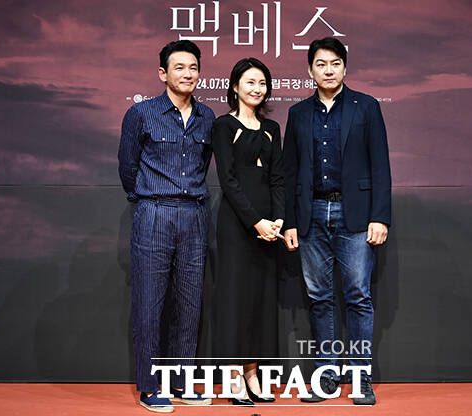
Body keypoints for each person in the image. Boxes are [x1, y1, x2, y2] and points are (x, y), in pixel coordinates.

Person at [282, 37, 392, 406]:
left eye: (334, 63)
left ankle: (360, 379)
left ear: (345, 67)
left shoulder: (366, 107)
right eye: (320, 64)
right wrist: (291, 221)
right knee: (320, 297)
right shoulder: (298, 113)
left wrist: (380, 216)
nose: (328, 70)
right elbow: (291, 171)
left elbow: (380, 165)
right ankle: (326, 377)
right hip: (311, 213)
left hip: (355, 214)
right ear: (309, 70)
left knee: (358, 295)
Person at [118, 39, 215, 413]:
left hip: (194, 214)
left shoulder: (207, 117)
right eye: (179, 67)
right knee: (149, 302)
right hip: (154, 212)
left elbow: (205, 163)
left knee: (189, 303)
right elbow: (128, 168)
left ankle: (182, 382)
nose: (188, 73)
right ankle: (149, 386)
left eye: (193, 67)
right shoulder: (141, 113)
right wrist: (147, 199)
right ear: (163, 73)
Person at [210, 57, 284, 406]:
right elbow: (228, 180)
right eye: (250, 82)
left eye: (262, 83)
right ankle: (233, 375)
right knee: (235, 298)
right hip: (238, 224)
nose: (257, 89)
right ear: (235, 86)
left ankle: (253, 372)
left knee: (260, 300)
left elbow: (278, 178)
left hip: (269, 228)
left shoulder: (272, 129)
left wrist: (278, 220)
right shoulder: (224, 126)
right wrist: (256, 222)